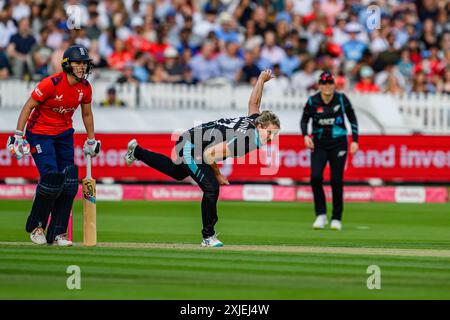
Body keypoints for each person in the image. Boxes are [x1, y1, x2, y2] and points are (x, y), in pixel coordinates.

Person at [124, 70, 280, 247]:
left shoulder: (253, 120)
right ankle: (208, 236)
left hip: (192, 139)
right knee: (211, 188)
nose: (271, 138)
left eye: (274, 134)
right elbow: (209, 155)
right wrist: (219, 175)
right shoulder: (246, 140)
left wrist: (260, 79)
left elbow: (254, 102)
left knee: (177, 172)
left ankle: (137, 151)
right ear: (260, 125)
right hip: (192, 145)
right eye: (269, 132)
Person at [6, 44, 101, 246]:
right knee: (51, 177)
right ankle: (37, 227)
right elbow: (28, 107)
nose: (82, 67)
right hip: (39, 133)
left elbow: (86, 113)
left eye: (84, 64)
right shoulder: (51, 83)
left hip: (64, 134)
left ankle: (58, 233)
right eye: (78, 63)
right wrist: (17, 135)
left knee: (68, 181)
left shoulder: (85, 88)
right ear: (67, 64)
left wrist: (91, 139)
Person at [300, 71, 359, 231]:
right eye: (324, 83)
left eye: (330, 83)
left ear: (334, 84)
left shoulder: (341, 98)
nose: (327, 86)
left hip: (339, 144)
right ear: (319, 85)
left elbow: (352, 118)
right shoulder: (313, 101)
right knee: (315, 177)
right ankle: (321, 214)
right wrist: (305, 136)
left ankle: (336, 218)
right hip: (319, 144)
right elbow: (304, 120)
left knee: (336, 180)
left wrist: (354, 140)